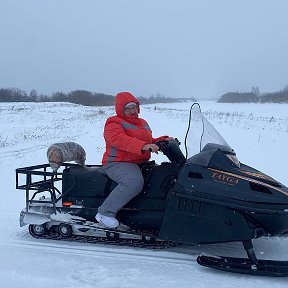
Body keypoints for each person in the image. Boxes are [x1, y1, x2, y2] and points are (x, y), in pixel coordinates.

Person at [95, 91, 172, 228]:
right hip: (117, 162)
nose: (132, 111)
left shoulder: (142, 123)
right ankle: (105, 212)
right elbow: (120, 140)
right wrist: (144, 146)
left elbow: (148, 141)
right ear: (121, 110)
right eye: (128, 108)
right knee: (133, 182)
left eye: (134, 107)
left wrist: (162, 141)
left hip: (137, 162)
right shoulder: (114, 122)